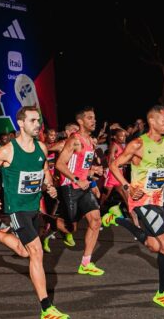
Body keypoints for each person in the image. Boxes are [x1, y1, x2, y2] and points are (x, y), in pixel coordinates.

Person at [0, 106, 69, 319]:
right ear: (21, 123)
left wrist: (49, 186)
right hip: (16, 209)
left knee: (25, 252)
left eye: (39, 120)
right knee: (36, 252)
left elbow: (44, 171)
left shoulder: (41, 148)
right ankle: (46, 308)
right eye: (33, 120)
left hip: (34, 207)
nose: (38, 124)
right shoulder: (7, 150)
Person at [105, 105, 164, 309]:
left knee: (154, 246)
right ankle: (163, 292)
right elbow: (114, 165)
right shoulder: (138, 144)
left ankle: (116, 218)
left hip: (157, 200)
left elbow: (162, 170)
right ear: (152, 122)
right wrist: (127, 187)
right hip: (142, 201)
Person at [53, 107, 106, 276]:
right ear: (80, 121)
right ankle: (47, 222)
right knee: (71, 228)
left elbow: (83, 166)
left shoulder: (91, 141)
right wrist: (77, 179)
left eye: (94, 118)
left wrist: (92, 176)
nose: (94, 121)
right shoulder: (74, 140)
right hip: (69, 186)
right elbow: (60, 164)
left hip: (84, 187)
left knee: (96, 221)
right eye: (90, 118)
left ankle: (86, 263)